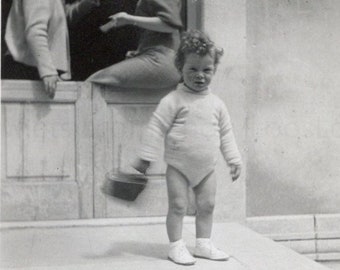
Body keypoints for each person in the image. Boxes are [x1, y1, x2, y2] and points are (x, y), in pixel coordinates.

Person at [132, 30, 243, 265]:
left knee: (208, 205)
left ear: (214, 69)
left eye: (206, 70)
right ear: (180, 68)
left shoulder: (217, 104)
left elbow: (226, 133)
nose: (199, 75)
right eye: (192, 69)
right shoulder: (173, 100)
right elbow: (156, 128)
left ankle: (203, 244)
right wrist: (146, 157)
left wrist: (233, 159)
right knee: (179, 205)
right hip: (179, 166)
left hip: (207, 168)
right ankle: (176, 246)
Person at [3, 0, 100, 98]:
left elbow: (58, 17)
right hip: (28, 69)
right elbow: (35, 32)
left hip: (35, 68)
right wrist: (47, 72)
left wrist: (88, 2)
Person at [86, 0, 183, 90]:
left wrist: (128, 19)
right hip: (162, 60)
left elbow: (170, 25)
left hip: (162, 60)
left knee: (92, 83)